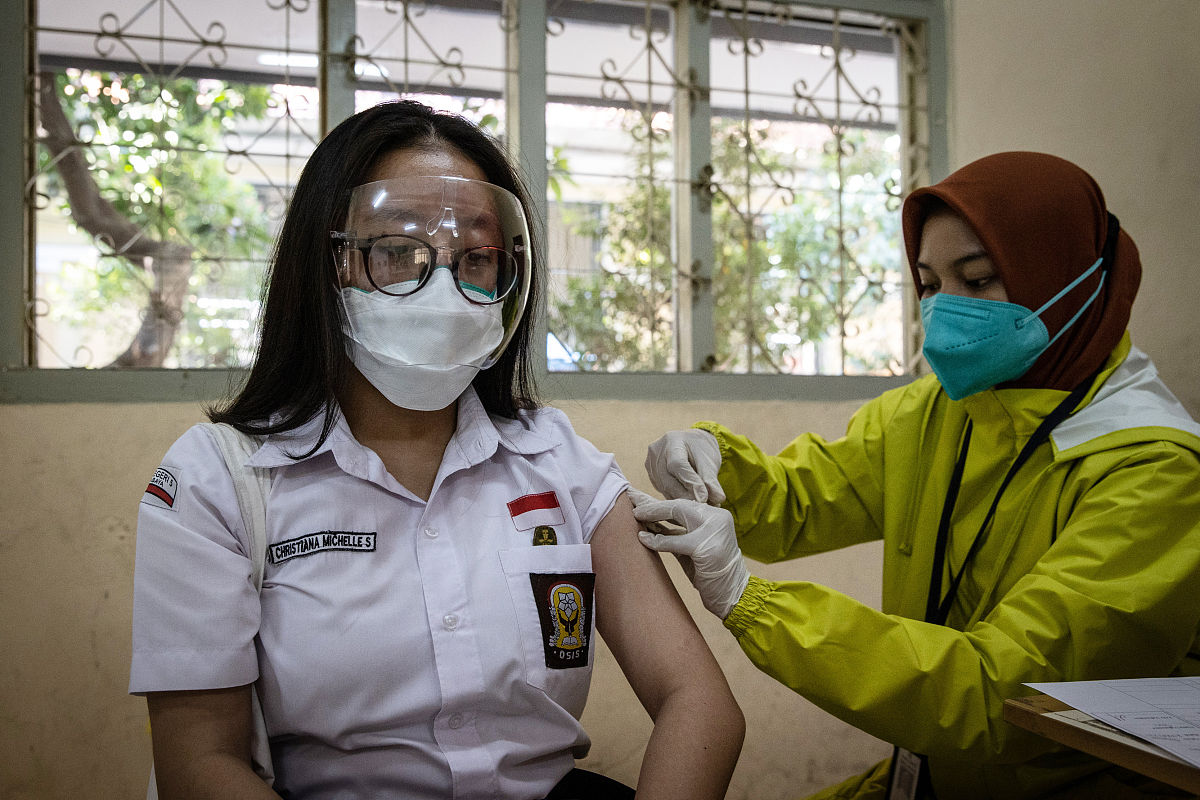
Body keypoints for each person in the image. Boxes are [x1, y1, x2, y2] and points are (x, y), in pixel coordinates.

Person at [130, 99, 743, 800]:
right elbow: (198, 765)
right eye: (397, 252)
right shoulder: (217, 480)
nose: (445, 287)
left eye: (476, 256)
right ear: (325, 266)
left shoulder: (562, 464)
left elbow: (699, 703)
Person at [632, 151, 1200, 800]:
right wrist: (713, 462)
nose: (946, 312)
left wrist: (747, 597)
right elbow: (800, 499)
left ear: (1067, 280)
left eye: (979, 280)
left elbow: (997, 694)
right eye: (929, 284)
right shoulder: (938, 411)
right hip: (934, 771)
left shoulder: (1156, 473)